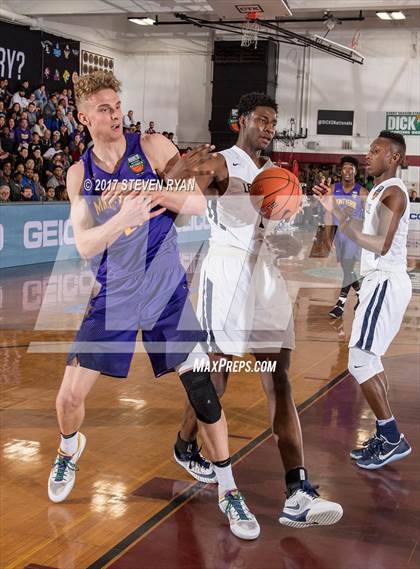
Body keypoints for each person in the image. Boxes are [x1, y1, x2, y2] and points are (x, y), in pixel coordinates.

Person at [47, 71, 259, 541]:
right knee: (67, 399)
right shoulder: (80, 174)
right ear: (84, 118)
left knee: (202, 392)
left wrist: (153, 193)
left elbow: (198, 206)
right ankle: (68, 450)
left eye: (117, 105)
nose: (115, 114)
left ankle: (228, 487)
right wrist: (121, 217)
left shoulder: (154, 146)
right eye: (103, 109)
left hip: (164, 290)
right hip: (115, 291)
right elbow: (84, 244)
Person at [174, 92, 343, 528]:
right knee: (218, 375)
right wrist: (207, 185)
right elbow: (182, 204)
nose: (269, 128)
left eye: (274, 122)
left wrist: (323, 217)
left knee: (279, 379)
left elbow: (306, 248)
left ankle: (298, 490)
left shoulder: (277, 176)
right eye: (263, 120)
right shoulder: (220, 163)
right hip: (226, 272)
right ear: (242, 120)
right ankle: (185, 444)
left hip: (266, 276)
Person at [314, 131, 412, 469]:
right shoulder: (380, 191)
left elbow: (380, 243)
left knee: (358, 360)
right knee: (371, 360)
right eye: (369, 149)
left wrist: (339, 217)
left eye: (376, 150)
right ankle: (388, 435)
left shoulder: (394, 193)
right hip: (378, 282)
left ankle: (390, 435)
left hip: (384, 281)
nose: (368, 155)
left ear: (395, 158)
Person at [325, 156, 367, 319]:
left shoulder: (362, 192)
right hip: (338, 236)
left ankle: (340, 304)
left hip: (352, 236)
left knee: (348, 268)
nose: (348, 171)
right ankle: (362, 294)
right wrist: (328, 237)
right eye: (345, 168)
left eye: (351, 168)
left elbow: (369, 217)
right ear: (340, 171)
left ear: (356, 172)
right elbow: (328, 214)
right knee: (346, 269)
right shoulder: (332, 189)